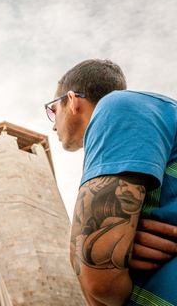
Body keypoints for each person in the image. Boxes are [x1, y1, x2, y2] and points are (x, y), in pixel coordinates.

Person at [45, 59, 177, 305]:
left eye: (52, 110)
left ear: (72, 100)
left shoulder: (116, 106)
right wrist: (93, 249)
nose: (53, 125)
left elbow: (99, 282)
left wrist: (88, 249)